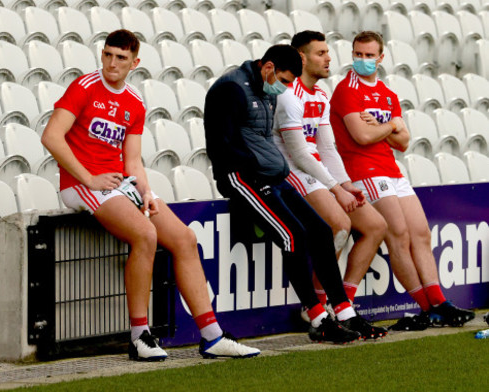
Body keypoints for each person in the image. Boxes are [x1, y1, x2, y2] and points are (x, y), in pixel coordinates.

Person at [40, 29, 260, 361]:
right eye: (108, 55)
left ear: (135, 62)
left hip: (118, 184)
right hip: (82, 184)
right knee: (146, 235)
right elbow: (51, 137)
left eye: (121, 58)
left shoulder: (134, 101)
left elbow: (132, 161)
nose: (112, 63)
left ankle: (212, 336)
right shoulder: (84, 87)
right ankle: (139, 336)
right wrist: (89, 177)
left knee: (185, 238)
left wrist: (147, 192)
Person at [204, 44, 361, 344]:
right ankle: (317, 317)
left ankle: (344, 311)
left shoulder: (265, 89)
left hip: (272, 175)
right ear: (268, 68)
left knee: (319, 230)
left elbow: (261, 139)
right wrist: (252, 170)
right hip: (242, 178)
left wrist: (272, 169)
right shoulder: (231, 89)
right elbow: (222, 146)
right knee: (293, 236)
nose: (287, 88)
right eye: (286, 81)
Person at [329, 31, 475, 329]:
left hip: (392, 170)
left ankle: (439, 302)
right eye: (359, 54)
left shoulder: (387, 93)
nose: (363, 60)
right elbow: (362, 135)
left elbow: (405, 142)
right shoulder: (347, 90)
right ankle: (427, 307)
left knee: (421, 233)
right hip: (364, 171)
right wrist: (391, 125)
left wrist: (386, 125)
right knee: (399, 236)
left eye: (370, 56)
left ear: (381, 58)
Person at [272, 31, 388, 339]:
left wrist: (346, 185)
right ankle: (318, 308)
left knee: (375, 225)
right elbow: (298, 154)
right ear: (302, 58)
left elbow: (326, 149)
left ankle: (341, 303)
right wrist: (335, 188)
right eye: (321, 53)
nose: (329, 58)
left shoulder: (320, 95)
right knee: (339, 224)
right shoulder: (288, 93)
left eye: (327, 52)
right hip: (290, 170)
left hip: (316, 171)